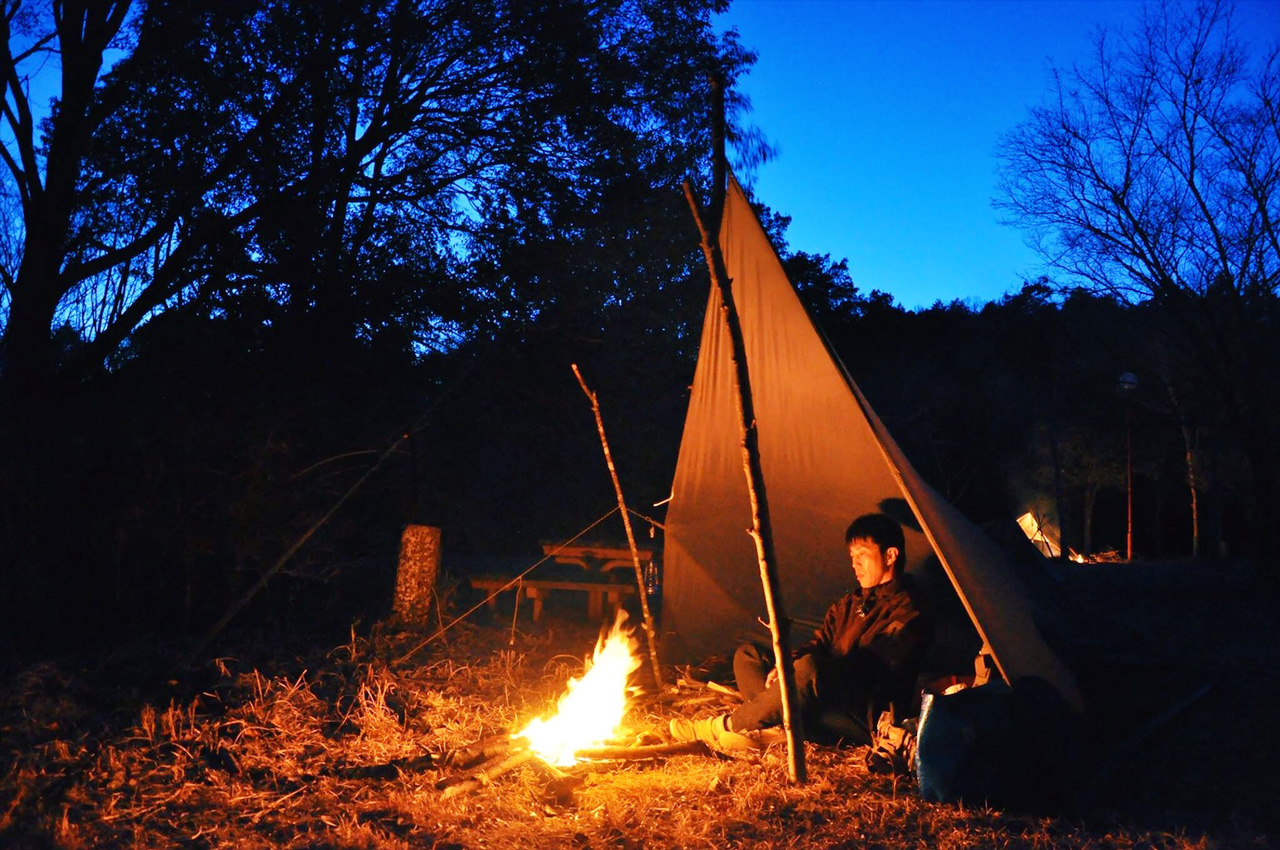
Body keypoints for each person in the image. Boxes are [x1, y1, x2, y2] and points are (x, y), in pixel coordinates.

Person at [670, 512, 934, 750]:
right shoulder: (849, 604)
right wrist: (786, 667)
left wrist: (807, 674)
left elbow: (871, 666)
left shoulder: (910, 609)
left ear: (890, 555)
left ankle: (726, 726)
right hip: (815, 693)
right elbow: (818, 643)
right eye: (852, 557)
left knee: (809, 670)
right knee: (749, 655)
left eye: (862, 555)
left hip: (859, 715)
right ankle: (777, 723)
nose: (855, 564)